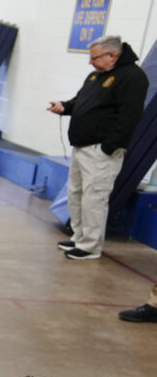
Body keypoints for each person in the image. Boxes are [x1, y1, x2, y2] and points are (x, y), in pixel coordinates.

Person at [48, 35, 148, 261]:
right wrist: (64, 107)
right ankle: (79, 237)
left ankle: (90, 246)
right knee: (76, 195)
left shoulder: (132, 77)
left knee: (94, 199)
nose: (90, 62)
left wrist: (108, 146)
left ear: (112, 55)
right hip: (81, 147)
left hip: (101, 151)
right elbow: (80, 101)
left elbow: (129, 117)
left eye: (94, 58)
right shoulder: (96, 76)